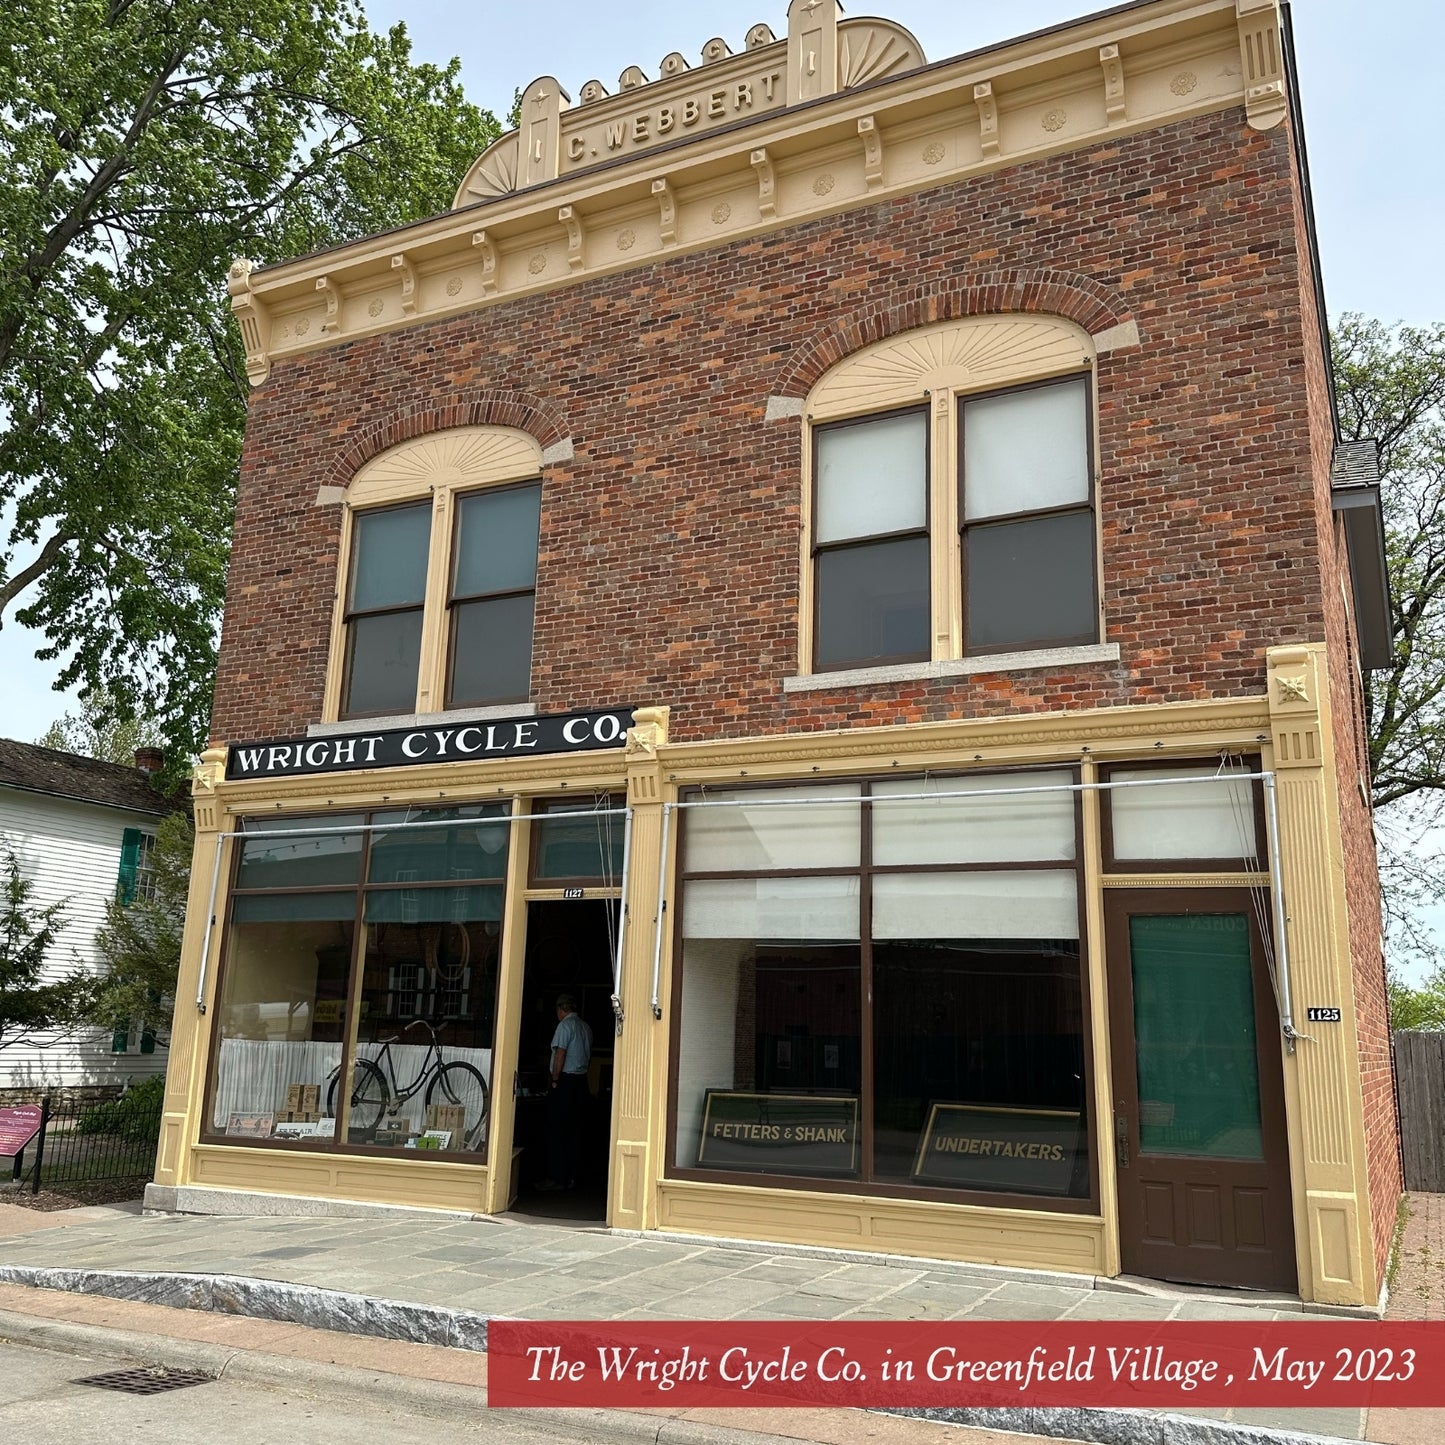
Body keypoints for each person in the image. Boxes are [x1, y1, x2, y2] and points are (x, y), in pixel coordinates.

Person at [538, 993, 592, 1191]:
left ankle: (556, 1177)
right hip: (581, 1082)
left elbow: (560, 1053)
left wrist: (554, 1079)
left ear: (561, 1010)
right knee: (575, 1131)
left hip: (566, 1082)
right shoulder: (585, 1027)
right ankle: (572, 1177)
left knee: (556, 1130)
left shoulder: (564, 1026)